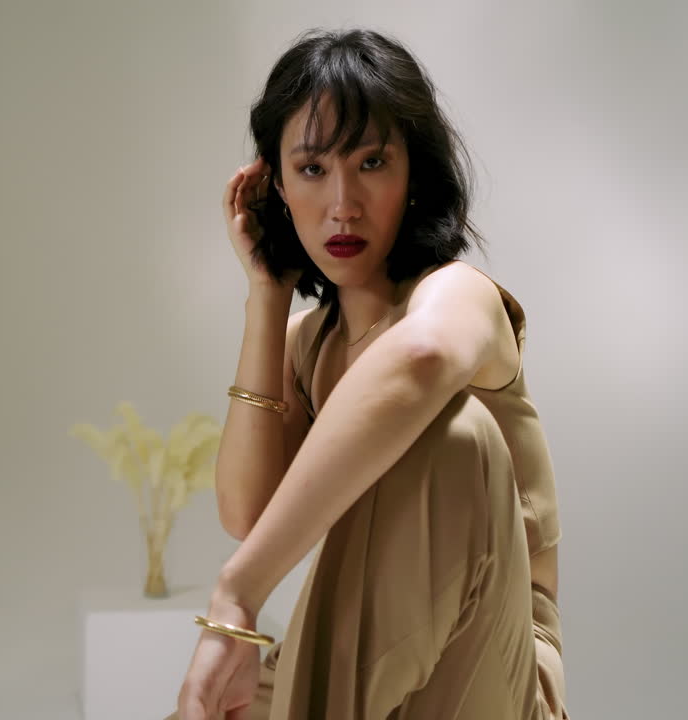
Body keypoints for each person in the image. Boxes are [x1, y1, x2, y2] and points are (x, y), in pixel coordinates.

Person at [170, 28, 568, 720]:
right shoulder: (308, 343)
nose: (344, 204)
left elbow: (420, 360)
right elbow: (246, 511)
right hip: (363, 667)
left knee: (452, 431)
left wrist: (235, 599)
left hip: (489, 675)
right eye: (314, 169)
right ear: (276, 186)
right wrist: (267, 295)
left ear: (414, 175)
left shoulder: (458, 299)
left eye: (373, 162)